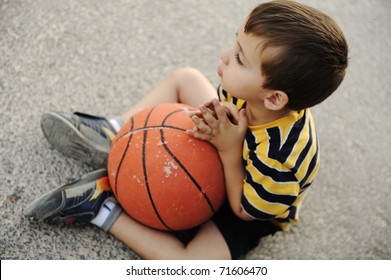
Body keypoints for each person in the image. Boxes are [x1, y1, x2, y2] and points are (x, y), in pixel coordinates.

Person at [25, 0, 348, 260]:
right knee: (186, 77)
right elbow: (214, 109)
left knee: (192, 266)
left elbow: (244, 210)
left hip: (252, 199)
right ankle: (119, 133)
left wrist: (229, 149)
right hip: (225, 147)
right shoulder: (248, 92)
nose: (224, 55)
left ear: (274, 97)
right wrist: (207, 122)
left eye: (238, 57)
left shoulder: (282, 160)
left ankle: (99, 207)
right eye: (234, 43)